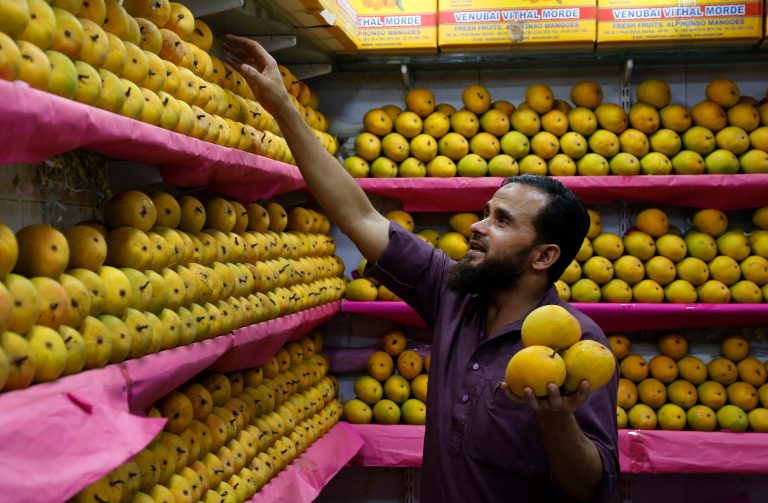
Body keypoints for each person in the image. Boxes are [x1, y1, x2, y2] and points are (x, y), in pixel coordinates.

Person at [223, 35, 619, 503]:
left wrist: (556, 419)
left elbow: (592, 487)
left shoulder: (578, 345)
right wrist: (282, 105)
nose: (477, 226)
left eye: (502, 220)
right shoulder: (453, 293)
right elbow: (359, 215)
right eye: (485, 211)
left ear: (543, 256)